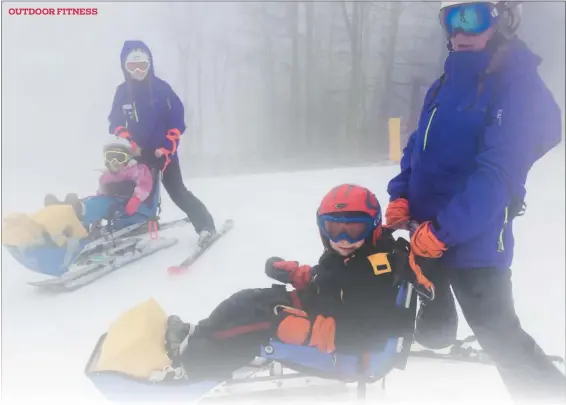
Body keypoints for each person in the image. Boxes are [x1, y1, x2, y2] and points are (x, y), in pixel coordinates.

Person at [385, 1, 565, 403]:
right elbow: (419, 146)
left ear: (501, 22)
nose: (461, 32)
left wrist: (445, 231)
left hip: (476, 244)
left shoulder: (516, 86)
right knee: (433, 333)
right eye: (452, 20)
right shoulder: (444, 83)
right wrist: (400, 193)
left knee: (500, 338)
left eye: (473, 19)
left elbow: (498, 175)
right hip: (425, 235)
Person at [158, 184, 431, 381]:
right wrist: (295, 274)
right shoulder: (358, 253)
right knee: (249, 299)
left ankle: (194, 364)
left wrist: (304, 331)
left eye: (354, 228)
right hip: (329, 311)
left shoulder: (378, 270)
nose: (344, 238)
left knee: (261, 322)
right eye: (334, 228)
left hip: (349, 351)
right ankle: (201, 335)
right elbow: (332, 279)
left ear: (372, 225)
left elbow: (373, 331)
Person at [107, 40, 216, 246]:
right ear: (124, 67)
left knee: (177, 192)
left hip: (163, 153)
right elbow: (114, 122)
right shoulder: (122, 92)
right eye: (132, 66)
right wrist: (129, 141)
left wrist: (166, 148)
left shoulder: (162, 89)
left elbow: (177, 121)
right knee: (128, 192)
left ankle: (205, 226)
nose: (138, 71)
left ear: (150, 64)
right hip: (137, 155)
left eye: (142, 65)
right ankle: (129, 229)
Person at [43, 140, 156, 232]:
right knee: (94, 200)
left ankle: (78, 210)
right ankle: (66, 210)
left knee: (101, 203)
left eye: (119, 157)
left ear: (127, 159)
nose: (114, 161)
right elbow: (100, 195)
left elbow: (145, 185)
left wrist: (136, 199)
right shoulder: (105, 177)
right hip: (115, 208)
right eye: (110, 157)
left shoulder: (137, 170)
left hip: (136, 209)